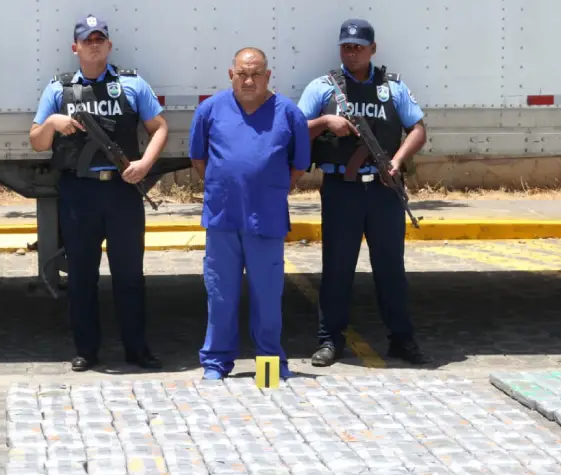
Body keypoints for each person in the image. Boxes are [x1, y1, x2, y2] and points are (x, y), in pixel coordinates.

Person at [29, 14, 169, 372]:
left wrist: (144, 164)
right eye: (87, 40)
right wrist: (52, 122)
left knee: (129, 275)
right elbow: (37, 142)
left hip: (123, 191)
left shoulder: (131, 85)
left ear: (109, 45)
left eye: (99, 39)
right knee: (81, 276)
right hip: (80, 193)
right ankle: (86, 351)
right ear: (75, 47)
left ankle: (136, 349)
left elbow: (159, 127)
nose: (94, 45)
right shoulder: (58, 89)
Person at [296, 19, 430, 367]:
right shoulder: (323, 88)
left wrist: (397, 161)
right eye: (346, 47)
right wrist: (325, 123)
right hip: (342, 189)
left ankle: (402, 339)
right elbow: (293, 129)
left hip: (384, 190)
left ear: (373, 49)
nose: (351, 52)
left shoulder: (392, 88)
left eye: (358, 47)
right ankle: (330, 340)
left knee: (390, 269)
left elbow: (417, 129)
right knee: (337, 269)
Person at [189, 47, 311, 381]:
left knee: (267, 300)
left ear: (267, 76)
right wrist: (226, 186)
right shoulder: (210, 110)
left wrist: (268, 189)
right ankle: (216, 364)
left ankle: (269, 367)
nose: (248, 80)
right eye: (242, 73)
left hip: (266, 220)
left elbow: (299, 164)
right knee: (220, 296)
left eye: (256, 74)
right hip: (222, 220)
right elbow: (199, 158)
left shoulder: (288, 113)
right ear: (231, 75)